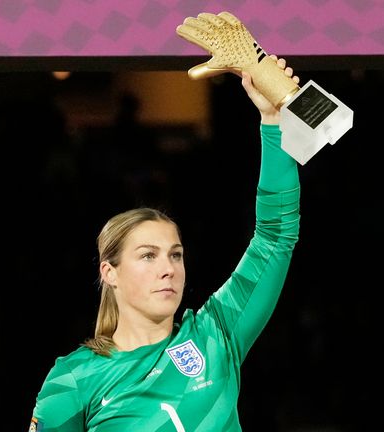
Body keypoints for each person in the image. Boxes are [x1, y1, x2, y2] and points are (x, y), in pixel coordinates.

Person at [29, 56, 301, 431]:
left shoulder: (215, 335)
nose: (168, 267)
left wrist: (273, 121)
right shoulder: (73, 379)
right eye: (148, 256)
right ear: (110, 272)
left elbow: (276, 234)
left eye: (175, 255)